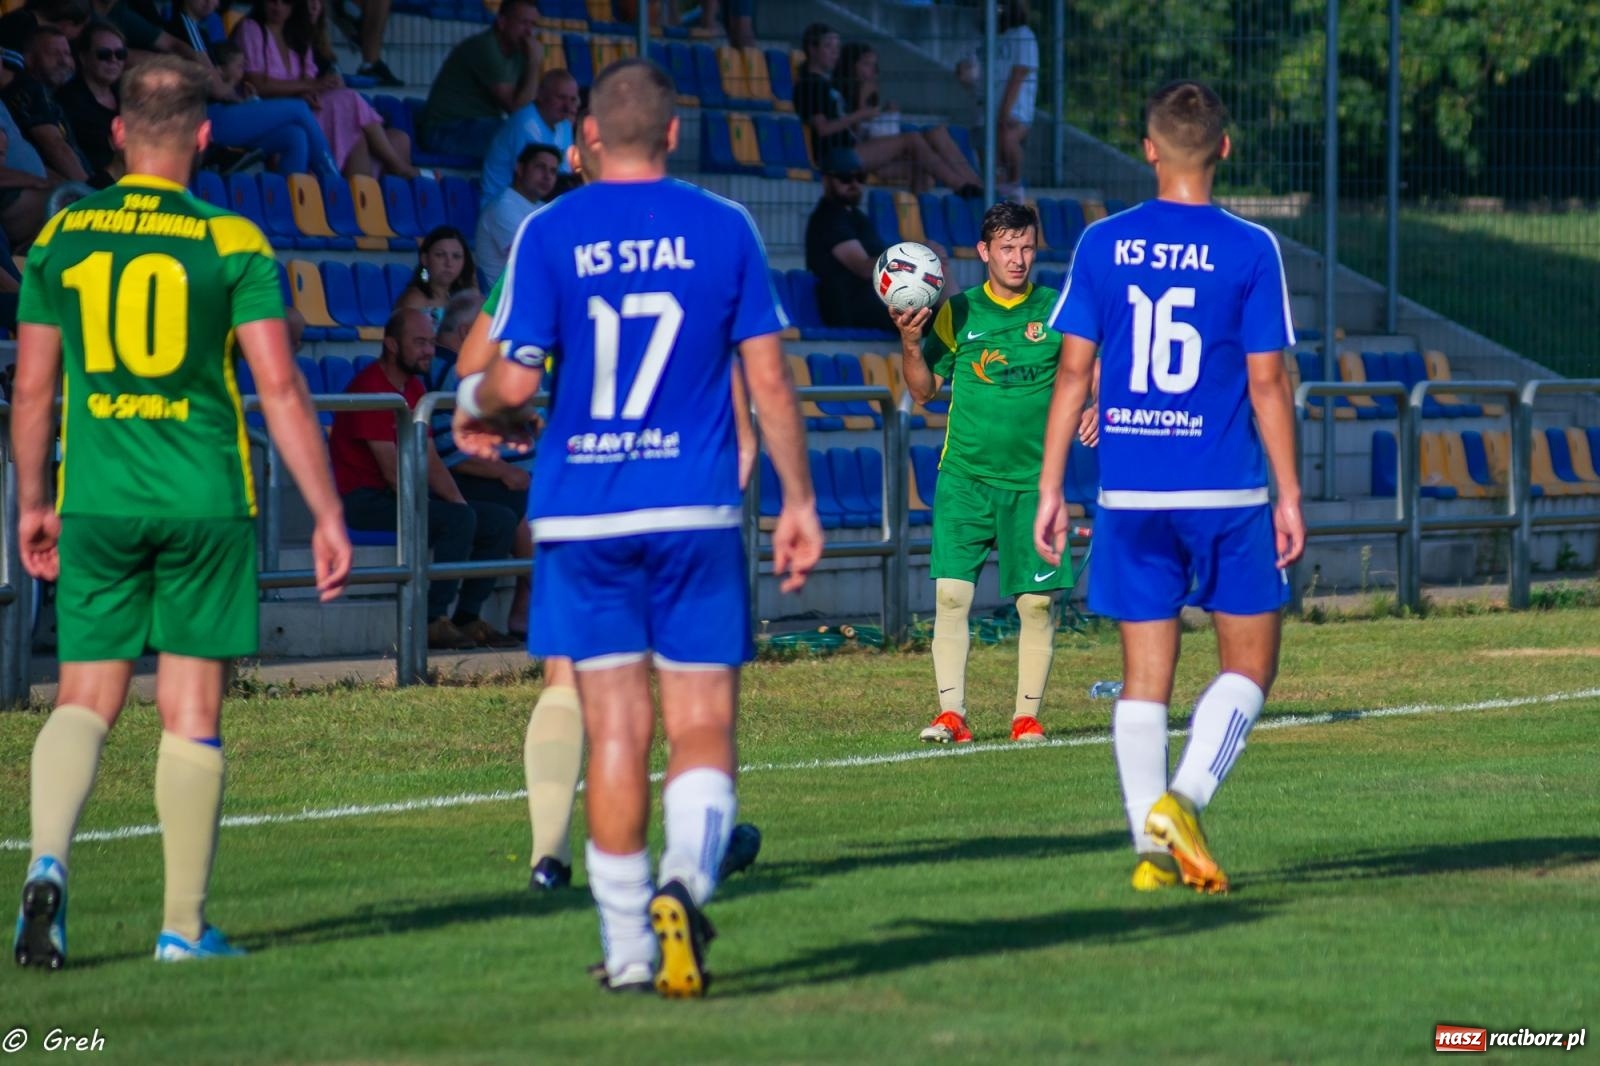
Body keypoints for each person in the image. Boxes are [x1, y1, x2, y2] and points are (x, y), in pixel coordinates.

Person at [455, 58, 822, 995]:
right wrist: (799, 501)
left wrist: (473, 404)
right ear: (670, 133)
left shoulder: (549, 230)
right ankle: (684, 886)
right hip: (693, 505)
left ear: (588, 139)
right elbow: (770, 382)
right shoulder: (724, 227)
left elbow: (514, 379)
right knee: (701, 724)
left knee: (614, 729)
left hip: (582, 510)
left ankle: (626, 951)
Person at [10, 55, 351, 969]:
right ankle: (183, 927)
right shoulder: (233, 241)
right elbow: (278, 388)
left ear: (117, 133)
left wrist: (33, 502)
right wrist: (325, 513)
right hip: (204, 497)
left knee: (85, 697)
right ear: (205, 136)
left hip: (98, 499)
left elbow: (33, 390)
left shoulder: (63, 239)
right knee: (191, 709)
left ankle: (46, 866)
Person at [450, 125, 766, 896]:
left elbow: (473, 366)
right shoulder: (702, 233)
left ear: (582, 157)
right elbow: (735, 377)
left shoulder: (550, 241)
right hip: (681, 490)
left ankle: (549, 854)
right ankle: (693, 853)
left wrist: (502, 410)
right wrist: (743, 454)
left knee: (575, 678)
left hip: (585, 490)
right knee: (688, 691)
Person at [1034, 80, 1305, 894]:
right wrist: (1289, 493)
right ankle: (1182, 803)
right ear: (1225, 149)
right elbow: (1268, 384)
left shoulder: (1102, 244)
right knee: (1250, 666)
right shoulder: (1252, 248)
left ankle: (1152, 858)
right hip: (1222, 492)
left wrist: (1052, 486)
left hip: (1131, 491)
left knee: (1145, 676)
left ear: (1147, 150)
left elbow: (1074, 372)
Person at [891, 200, 1087, 745]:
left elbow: (1086, 373)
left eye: (1026, 247)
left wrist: (1094, 405)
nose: (1018, 258)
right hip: (965, 479)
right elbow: (924, 391)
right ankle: (951, 715)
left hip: (1033, 484)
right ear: (984, 252)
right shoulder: (957, 312)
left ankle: (1026, 717)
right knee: (952, 596)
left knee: (1037, 604)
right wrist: (910, 343)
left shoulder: (1058, 309)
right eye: (1007, 248)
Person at [330, 307, 519, 650]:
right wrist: (457, 513)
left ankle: (467, 617)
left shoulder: (415, 387)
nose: (429, 351)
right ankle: (431, 620)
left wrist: (460, 503)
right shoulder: (371, 388)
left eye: (431, 342)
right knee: (459, 520)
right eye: (419, 343)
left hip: (396, 493)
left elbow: (430, 459)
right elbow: (393, 473)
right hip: (364, 501)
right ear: (391, 344)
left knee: (499, 519)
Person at [234, 0, 416, 179]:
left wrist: (314, 88)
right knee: (348, 100)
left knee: (378, 136)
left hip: (303, 110)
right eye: (272, 0)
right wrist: (308, 87)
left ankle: (363, 200)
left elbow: (308, 81)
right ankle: (397, 167)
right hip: (273, 115)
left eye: (286, 1)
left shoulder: (297, 36)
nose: (278, 6)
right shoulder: (251, 29)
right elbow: (256, 83)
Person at [792, 22, 980, 196]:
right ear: (812, 49)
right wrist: (860, 114)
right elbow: (823, 129)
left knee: (919, 166)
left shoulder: (827, 85)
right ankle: (960, 186)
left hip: (855, 150)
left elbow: (849, 129)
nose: (834, 53)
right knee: (911, 139)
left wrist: (862, 113)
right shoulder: (810, 84)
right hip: (837, 156)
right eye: (828, 47)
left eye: (836, 48)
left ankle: (921, 221)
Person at [169, 0, 342, 184]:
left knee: (295, 137)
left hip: (220, 114)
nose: (212, 2)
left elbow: (218, 85)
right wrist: (233, 86)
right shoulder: (184, 25)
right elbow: (218, 90)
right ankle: (335, 184)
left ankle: (287, 206)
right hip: (205, 120)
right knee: (298, 109)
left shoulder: (201, 29)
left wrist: (237, 95)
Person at [804, 146, 944, 334]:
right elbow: (862, 267)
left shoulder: (856, 216)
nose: (854, 184)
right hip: (849, 305)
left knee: (938, 265)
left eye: (859, 178)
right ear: (827, 181)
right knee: (940, 319)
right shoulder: (829, 218)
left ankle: (966, 316)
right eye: (845, 179)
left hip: (874, 299)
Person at [836, 40, 981, 195]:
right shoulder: (840, 95)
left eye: (874, 65)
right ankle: (960, 185)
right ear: (852, 66)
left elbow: (879, 130)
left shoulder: (872, 92)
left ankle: (976, 185)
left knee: (935, 137)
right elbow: (855, 134)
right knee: (912, 138)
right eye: (866, 64)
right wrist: (863, 100)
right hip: (863, 156)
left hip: (884, 154)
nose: (872, 70)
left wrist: (887, 112)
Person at [416, 0, 540, 159]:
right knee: (519, 138)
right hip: (445, 131)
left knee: (533, 133)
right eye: (524, 23)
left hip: (478, 126)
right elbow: (517, 109)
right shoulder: (486, 48)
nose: (529, 32)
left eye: (533, 24)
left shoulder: (520, 52)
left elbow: (529, 104)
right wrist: (535, 63)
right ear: (502, 22)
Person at [957, 0, 1037, 201]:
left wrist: (1004, 112)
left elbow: (1018, 74)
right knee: (987, 154)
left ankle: (1016, 185)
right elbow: (972, 72)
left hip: (1014, 107)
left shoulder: (1023, 35)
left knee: (1006, 137)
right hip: (985, 108)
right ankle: (998, 195)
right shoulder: (983, 38)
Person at [3, 25, 91, 182]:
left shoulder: (57, 94)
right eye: (53, 54)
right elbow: (54, 145)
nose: (64, 61)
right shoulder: (27, 88)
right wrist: (92, 194)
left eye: (67, 53)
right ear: (29, 59)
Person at [478, 68, 576, 208]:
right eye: (561, 98)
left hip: (534, 204)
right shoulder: (525, 123)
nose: (567, 107)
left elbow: (563, 177)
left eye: (572, 100)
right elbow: (530, 182)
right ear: (541, 95)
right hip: (502, 205)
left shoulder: (564, 125)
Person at [474, 140, 556, 285]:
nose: (547, 176)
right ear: (520, 168)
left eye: (553, 171)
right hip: (502, 302)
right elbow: (532, 261)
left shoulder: (544, 207)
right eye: (540, 167)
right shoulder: (503, 207)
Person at [0, 50, 59, 249]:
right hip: (11, 197)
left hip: (31, 187)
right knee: (76, 207)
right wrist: (35, 181)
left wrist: (52, 178)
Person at [56, 19, 123, 185]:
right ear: (84, 58)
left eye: (120, 54)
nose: (113, 60)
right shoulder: (68, 100)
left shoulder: (128, 94)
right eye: (104, 54)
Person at [395, 224, 479, 326]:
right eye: (440, 255)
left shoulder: (458, 299)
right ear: (424, 259)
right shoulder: (415, 300)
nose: (449, 263)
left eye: (456, 256)